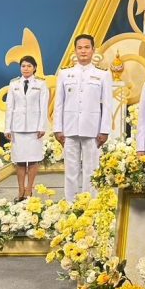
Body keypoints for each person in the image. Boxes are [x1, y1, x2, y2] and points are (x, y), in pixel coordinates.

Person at [53, 34, 113, 202]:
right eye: (80, 48)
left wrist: (104, 130)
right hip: (70, 128)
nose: (83, 51)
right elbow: (59, 103)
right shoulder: (65, 74)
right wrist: (58, 129)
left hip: (92, 129)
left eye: (87, 47)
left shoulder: (103, 74)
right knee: (70, 170)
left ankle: (90, 203)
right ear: (75, 50)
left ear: (93, 50)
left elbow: (107, 105)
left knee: (91, 169)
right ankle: (70, 203)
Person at [5, 55, 49, 200]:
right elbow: (10, 107)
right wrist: (7, 128)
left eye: (29, 66)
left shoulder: (41, 84)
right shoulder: (14, 84)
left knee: (33, 160)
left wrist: (42, 126)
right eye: (23, 66)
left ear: (34, 68)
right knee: (20, 161)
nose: (26, 68)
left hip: (34, 128)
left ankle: (29, 189)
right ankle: (20, 190)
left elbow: (43, 107)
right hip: (17, 128)